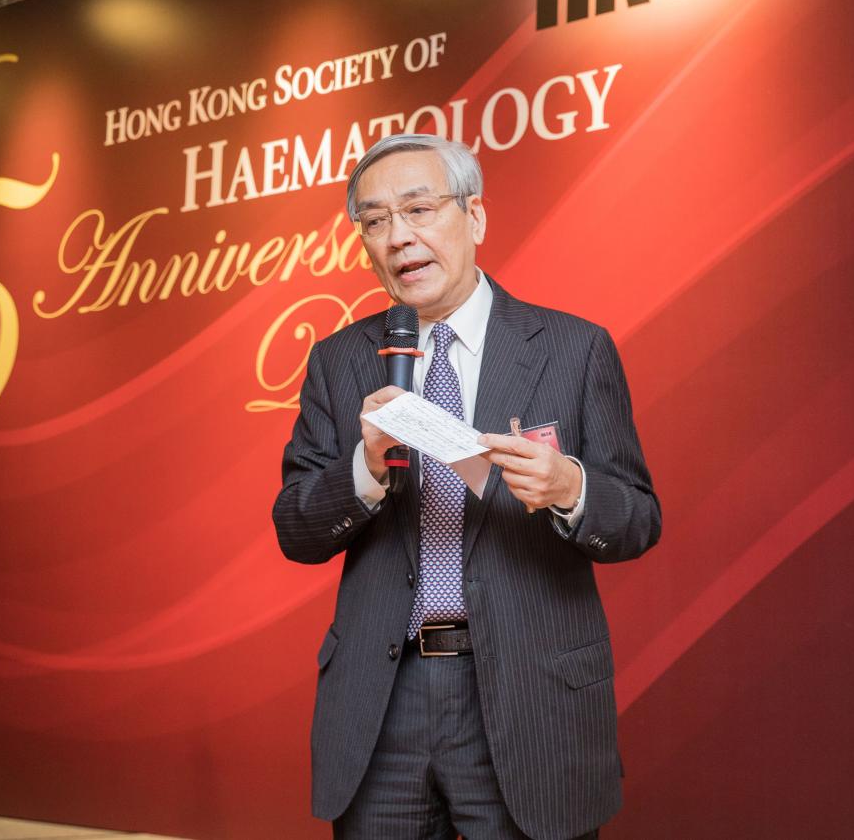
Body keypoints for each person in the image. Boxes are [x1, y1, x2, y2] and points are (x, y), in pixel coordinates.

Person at [273, 134, 661, 839]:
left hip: (528, 694)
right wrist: (365, 468)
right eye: (375, 220)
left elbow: (637, 519)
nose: (398, 237)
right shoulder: (340, 361)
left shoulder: (574, 349)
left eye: (418, 210)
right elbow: (296, 529)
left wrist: (570, 487)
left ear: (474, 216)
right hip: (383, 705)